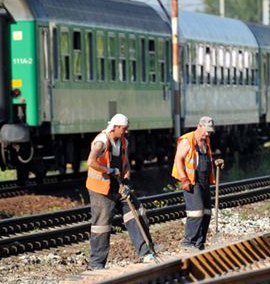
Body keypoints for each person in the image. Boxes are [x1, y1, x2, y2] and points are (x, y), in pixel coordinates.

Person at [85, 113, 155, 270]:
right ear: (115, 127)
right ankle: (96, 264)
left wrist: (126, 177)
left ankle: (146, 252)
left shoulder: (123, 142)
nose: (126, 131)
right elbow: (91, 162)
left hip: (119, 186)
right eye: (124, 129)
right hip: (101, 189)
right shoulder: (101, 142)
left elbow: (125, 163)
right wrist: (108, 170)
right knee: (101, 225)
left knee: (137, 212)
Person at [172, 116, 216, 251]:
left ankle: (199, 243)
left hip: (204, 180)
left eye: (210, 131)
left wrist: (216, 163)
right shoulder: (187, 140)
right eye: (206, 130)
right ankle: (188, 243)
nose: (208, 133)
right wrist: (184, 178)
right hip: (191, 181)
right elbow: (178, 159)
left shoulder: (206, 141)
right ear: (199, 126)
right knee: (196, 212)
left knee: (207, 212)